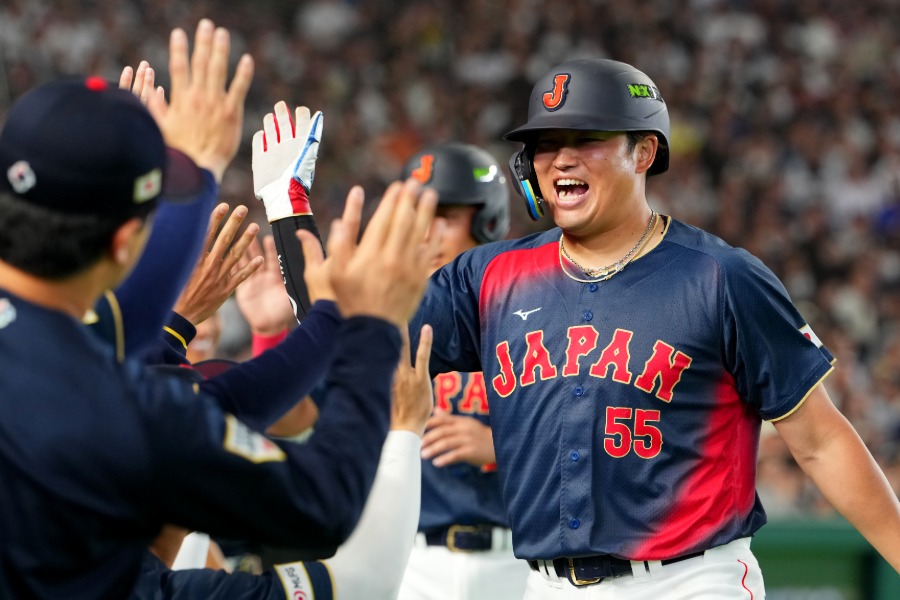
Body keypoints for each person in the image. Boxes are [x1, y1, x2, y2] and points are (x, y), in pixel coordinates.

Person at [407, 58, 900, 598]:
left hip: (689, 578)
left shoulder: (720, 276)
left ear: (643, 152)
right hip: (545, 585)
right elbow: (363, 334)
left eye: (587, 137)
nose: (562, 157)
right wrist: (296, 234)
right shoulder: (487, 277)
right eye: (546, 143)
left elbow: (821, 440)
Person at [0, 18, 439, 600]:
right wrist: (369, 330)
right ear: (125, 242)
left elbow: (153, 363)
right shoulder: (128, 420)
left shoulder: (86, 378)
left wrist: (191, 180)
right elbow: (328, 513)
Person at [394, 142, 531, 600]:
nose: (425, 234)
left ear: (486, 221)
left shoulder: (531, 313)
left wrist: (499, 448)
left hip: (519, 559)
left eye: (443, 217)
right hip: (410, 560)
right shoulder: (391, 317)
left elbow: (589, 439)